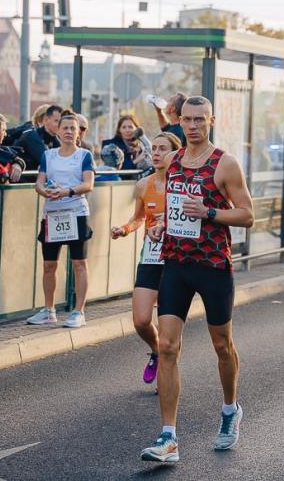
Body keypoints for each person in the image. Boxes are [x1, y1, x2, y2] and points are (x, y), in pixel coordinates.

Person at [140, 96, 254, 463]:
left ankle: (230, 410)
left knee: (222, 345)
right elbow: (173, 210)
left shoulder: (226, 164)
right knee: (168, 347)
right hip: (175, 264)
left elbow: (247, 215)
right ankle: (169, 438)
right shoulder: (172, 162)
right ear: (180, 121)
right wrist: (161, 226)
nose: (192, 126)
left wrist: (209, 212)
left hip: (213, 267)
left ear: (211, 121)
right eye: (187, 119)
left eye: (199, 120)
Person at [111, 132, 182, 392]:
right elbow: (139, 218)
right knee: (141, 320)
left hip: (176, 258)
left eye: (162, 149)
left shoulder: (183, 184)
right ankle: (156, 351)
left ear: (175, 154)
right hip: (151, 256)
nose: (156, 153)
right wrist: (125, 229)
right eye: (153, 148)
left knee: (168, 322)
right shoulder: (143, 185)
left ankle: (166, 369)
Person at [26, 113, 95, 328]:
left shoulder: (84, 155)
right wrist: (43, 191)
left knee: (79, 263)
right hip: (52, 214)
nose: (68, 131)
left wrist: (68, 191)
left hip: (75, 212)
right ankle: (49, 310)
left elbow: (88, 184)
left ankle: (78, 311)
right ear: (57, 131)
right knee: (49, 264)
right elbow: (40, 181)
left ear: (78, 133)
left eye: (72, 128)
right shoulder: (49, 155)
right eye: (64, 127)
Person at [17, 104, 62, 170]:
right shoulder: (32, 136)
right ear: (46, 120)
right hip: (24, 179)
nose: (60, 125)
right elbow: (46, 160)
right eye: (56, 121)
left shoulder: (55, 139)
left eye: (61, 121)